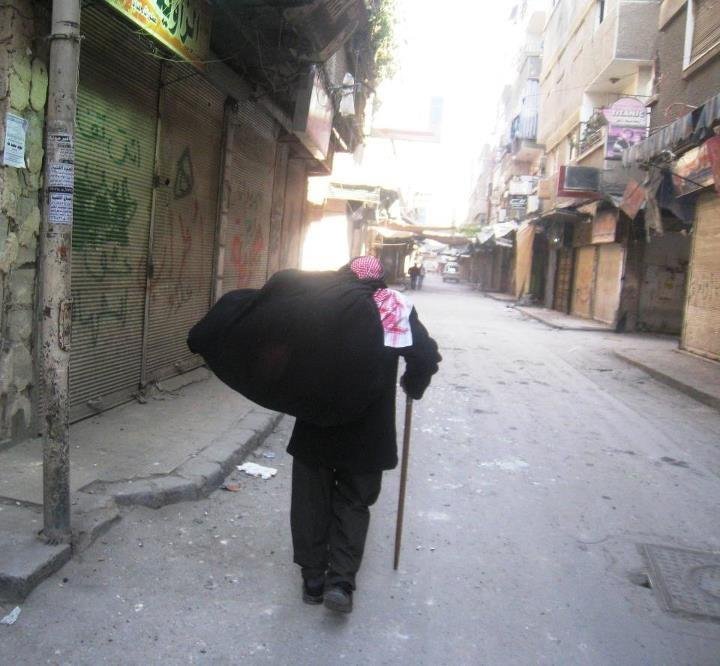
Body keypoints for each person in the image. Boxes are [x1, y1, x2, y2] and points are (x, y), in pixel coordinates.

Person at [287, 256, 441, 614]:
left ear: (346, 275)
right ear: (380, 280)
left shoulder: (321, 302)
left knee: (310, 500)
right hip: (368, 429)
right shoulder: (394, 306)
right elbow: (425, 357)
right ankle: (341, 582)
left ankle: (313, 580)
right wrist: (413, 384)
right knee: (354, 502)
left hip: (316, 422)